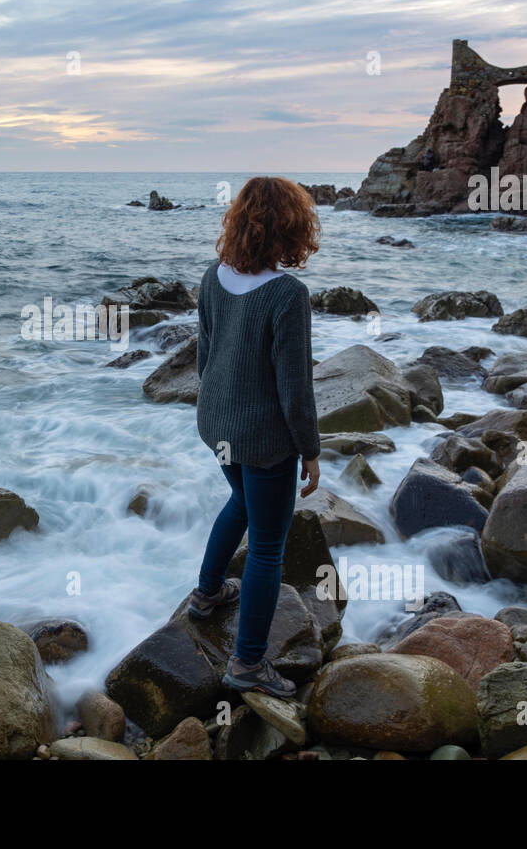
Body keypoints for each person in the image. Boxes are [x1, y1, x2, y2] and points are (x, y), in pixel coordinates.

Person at [189, 176, 322, 699]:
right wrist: (310, 449)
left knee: (239, 503)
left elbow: (204, 358)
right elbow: (295, 388)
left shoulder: (212, 277)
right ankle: (247, 663)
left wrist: (221, 409)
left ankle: (205, 595)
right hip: (264, 439)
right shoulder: (287, 295)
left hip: (216, 423)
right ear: (291, 229)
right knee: (268, 547)